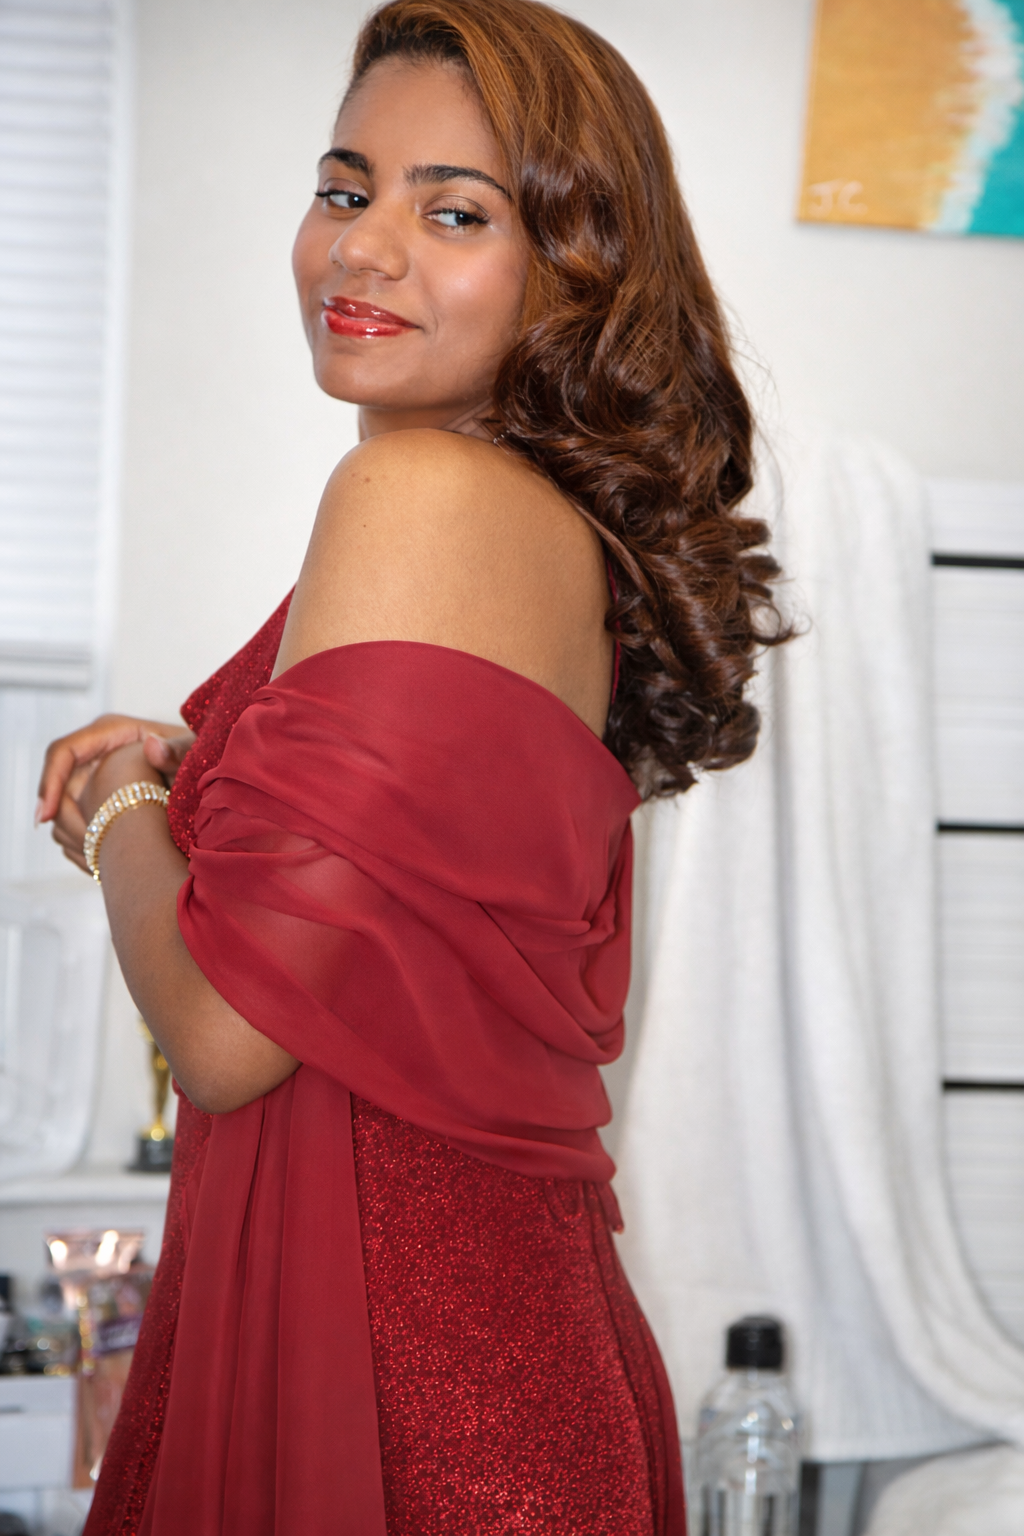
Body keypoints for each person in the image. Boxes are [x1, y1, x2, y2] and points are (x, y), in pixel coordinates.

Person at [37, 2, 784, 1531]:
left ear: (571, 272)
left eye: (453, 210)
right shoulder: (537, 524)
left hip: (400, 1384)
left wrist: (118, 800)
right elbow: (408, 904)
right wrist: (209, 773)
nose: (360, 249)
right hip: (479, 1356)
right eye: (342, 187)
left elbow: (234, 1030)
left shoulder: (420, 490)